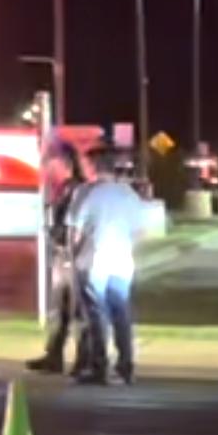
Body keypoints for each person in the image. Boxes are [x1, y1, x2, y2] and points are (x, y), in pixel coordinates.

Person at [69, 150, 155, 384]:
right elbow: (142, 231)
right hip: (122, 260)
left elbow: (74, 232)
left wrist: (73, 257)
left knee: (96, 314)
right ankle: (126, 365)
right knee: (121, 312)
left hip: (94, 259)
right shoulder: (128, 194)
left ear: (94, 168)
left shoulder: (88, 194)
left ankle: (99, 366)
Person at [24, 143, 88, 374]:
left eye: (49, 163)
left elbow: (76, 224)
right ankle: (54, 355)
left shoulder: (78, 191)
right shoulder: (61, 190)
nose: (45, 169)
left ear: (64, 164)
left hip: (75, 257)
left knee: (78, 310)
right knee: (59, 309)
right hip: (62, 256)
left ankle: (84, 359)